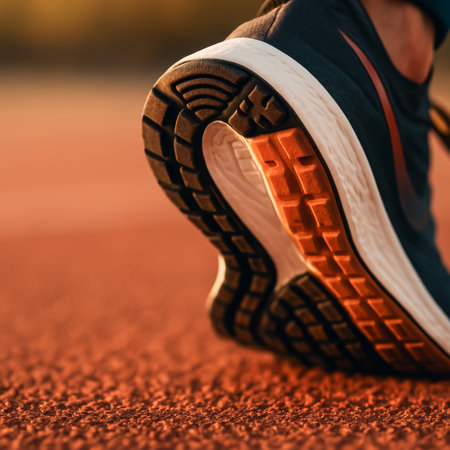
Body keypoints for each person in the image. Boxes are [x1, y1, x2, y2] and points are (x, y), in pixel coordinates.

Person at [142, 0, 450, 374]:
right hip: (356, 40)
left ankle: (322, 29)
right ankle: (385, 37)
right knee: (398, 24)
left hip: (310, 30)